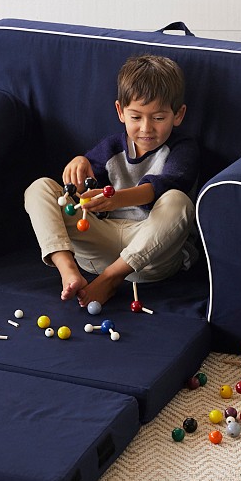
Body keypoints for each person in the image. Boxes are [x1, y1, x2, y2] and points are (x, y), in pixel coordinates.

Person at [23, 54, 199, 308]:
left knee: (178, 201)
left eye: (159, 118)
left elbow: (165, 186)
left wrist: (116, 199)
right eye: (136, 117)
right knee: (39, 188)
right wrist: (79, 165)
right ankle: (67, 268)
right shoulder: (111, 147)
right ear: (120, 112)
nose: (146, 128)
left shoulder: (183, 149)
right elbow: (83, 192)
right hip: (98, 250)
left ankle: (111, 278)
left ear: (178, 115)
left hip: (150, 255)